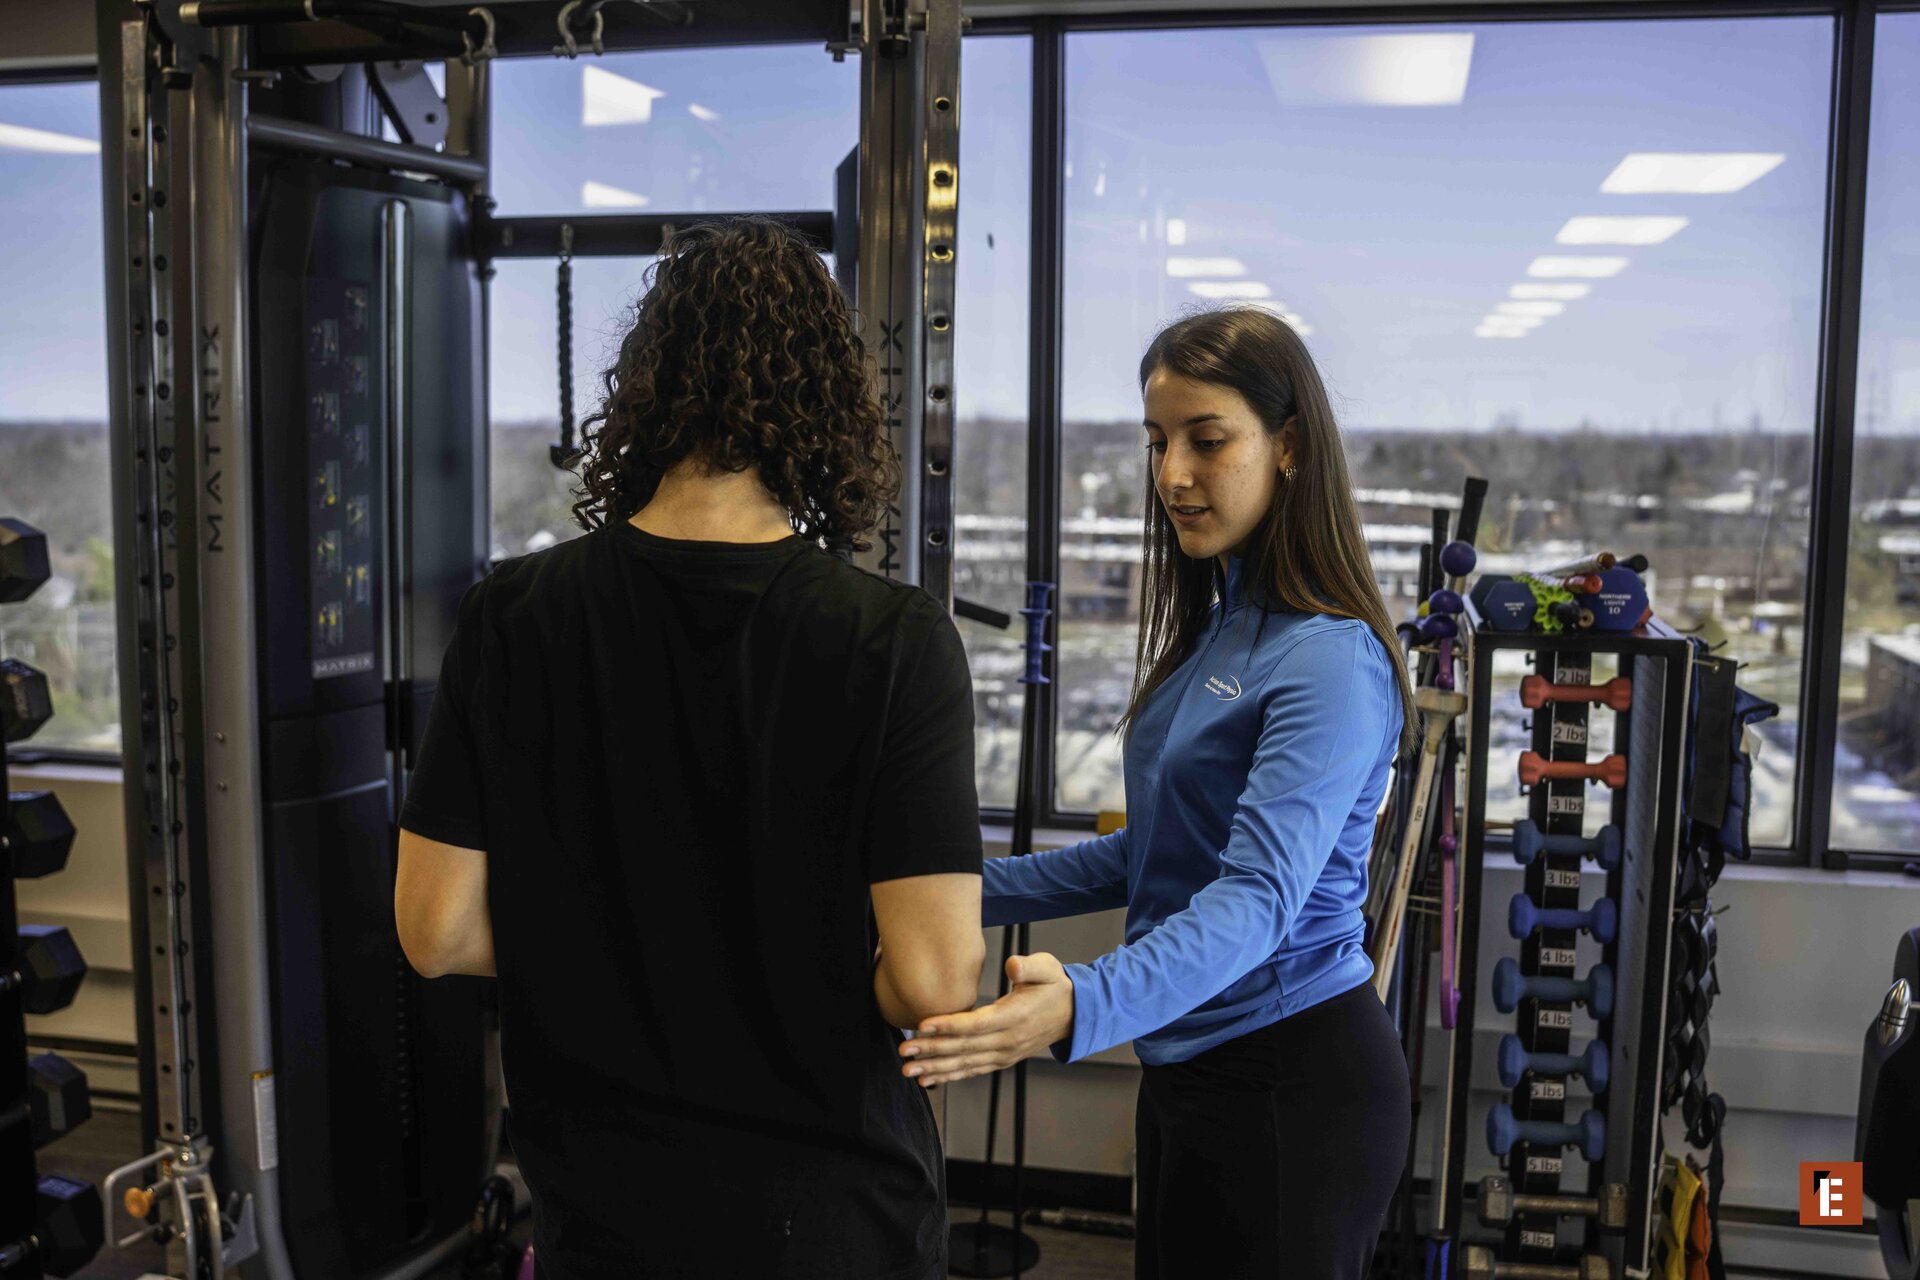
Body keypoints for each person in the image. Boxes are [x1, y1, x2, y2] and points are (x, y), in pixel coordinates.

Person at [394, 217, 986, 1280]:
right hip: (833, 1224)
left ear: (646, 389)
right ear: (823, 402)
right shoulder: (894, 639)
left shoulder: (511, 615)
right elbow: (936, 978)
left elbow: (435, 932)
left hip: (606, 1216)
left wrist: (613, 947)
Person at [898, 307, 1418, 1279]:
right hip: (1188, 1070)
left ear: (1290, 444)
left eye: (1206, 439)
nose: (1172, 473)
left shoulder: (1331, 662)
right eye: (1157, 441)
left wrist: (1079, 1003)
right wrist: (947, 892)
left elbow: (1256, 900)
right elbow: (1148, 853)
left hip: (1289, 1084)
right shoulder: (1223, 628)